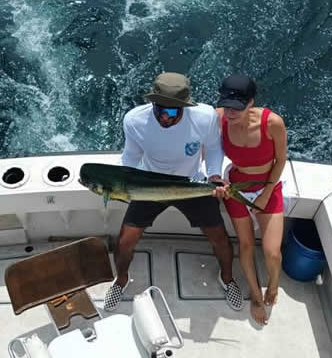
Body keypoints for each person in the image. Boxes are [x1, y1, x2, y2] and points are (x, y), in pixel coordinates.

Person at [105, 72, 242, 311]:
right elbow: (131, 158)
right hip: (150, 185)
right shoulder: (134, 120)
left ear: (184, 108)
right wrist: (120, 185)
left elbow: (212, 147)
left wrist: (214, 175)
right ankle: (121, 281)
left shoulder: (205, 117)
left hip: (190, 183)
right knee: (126, 241)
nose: (164, 117)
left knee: (219, 237)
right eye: (159, 110)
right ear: (152, 104)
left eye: (171, 112)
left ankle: (228, 279)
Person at [213, 75, 287, 325]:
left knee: (272, 252)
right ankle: (255, 297)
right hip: (237, 187)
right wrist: (216, 180)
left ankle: (273, 286)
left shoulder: (272, 123)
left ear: (251, 103)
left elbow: (280, 160)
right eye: (227, 105)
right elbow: (207, 150)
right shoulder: (219, 118)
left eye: (237, 107)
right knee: (246, 245)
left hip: (267, 186)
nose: (230, 112)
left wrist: (266, 192)